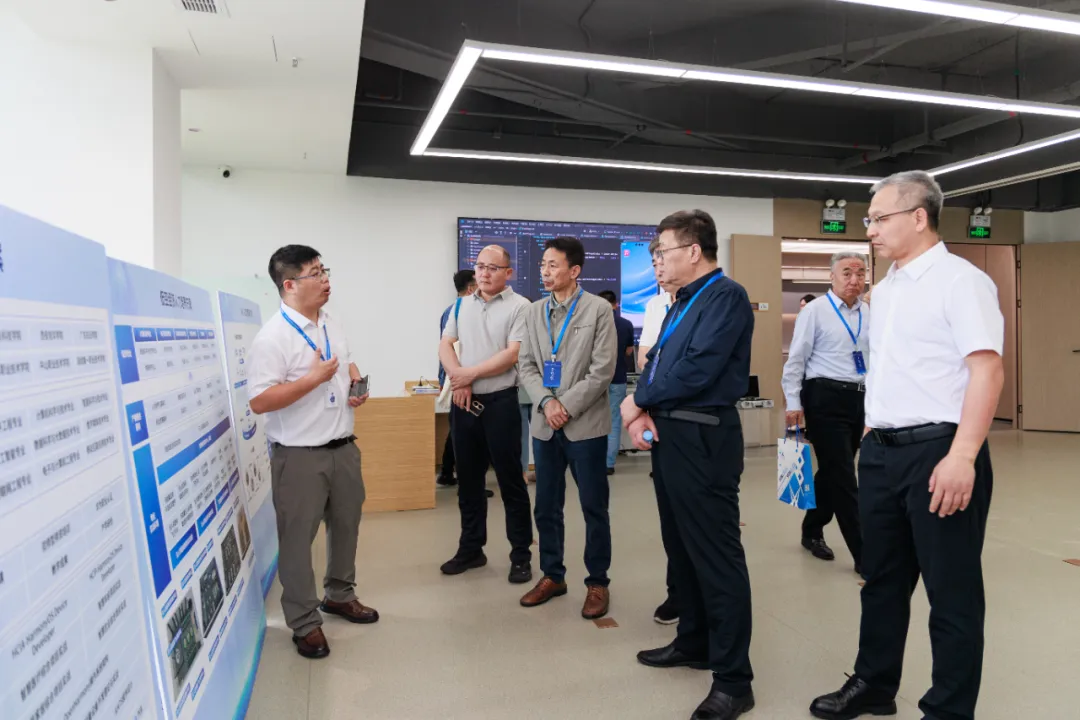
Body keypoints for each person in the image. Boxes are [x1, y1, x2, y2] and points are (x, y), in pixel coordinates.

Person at [810, 171, 1003, 720]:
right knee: (882, 579)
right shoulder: (888, 289)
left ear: (919, 217)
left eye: (878, 218)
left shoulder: (961, 282)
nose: (869, 229)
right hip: (882, 451)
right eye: (868, 220)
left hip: (940, 451)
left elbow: (987, 371)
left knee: (951, 591)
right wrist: (873, 429)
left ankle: (948, 710)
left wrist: (962, 456)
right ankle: (874, 684)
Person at [622, 210, 756, 720]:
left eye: (663, 251)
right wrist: (644, 404)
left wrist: (636, 402)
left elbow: (697, 369)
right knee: (682, 548)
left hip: (704, 437)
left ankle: (734, 680)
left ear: (694, 251)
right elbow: (658, 362)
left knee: (716, 556)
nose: (657, 260)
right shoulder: (680, 302)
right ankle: (694, 641)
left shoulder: (726, 297)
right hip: (673, 435)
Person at [247, 245, 377, 660]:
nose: (325, 280)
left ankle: (340, 595)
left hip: (343, 447)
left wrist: (354, 382)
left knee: (346, 525)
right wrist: (313, 379)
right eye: (315, 273)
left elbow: (346, 361)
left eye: (324, 270)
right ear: (289, 285)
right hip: (300, 456)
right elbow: (260, 401)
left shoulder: (330, 321)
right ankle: (304, 622)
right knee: (297, 541)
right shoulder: (272, 338)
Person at [518, 237, 617, 620]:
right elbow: (526, 365)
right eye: (542, 264)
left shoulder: (598, 310)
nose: (545, 271)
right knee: (546, 506)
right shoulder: (534, 312)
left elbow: (602, 370)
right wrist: (547, 402)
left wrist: (566, 405)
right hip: (545, 426)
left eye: (553, 265)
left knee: (594, 507)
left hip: (585, 426)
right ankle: (552, 575)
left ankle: (598, 582)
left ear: (574, 271)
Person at [439, 246, 534, 584]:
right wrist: (459, 378)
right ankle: (471, 549)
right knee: (468, 481)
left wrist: (469, 375)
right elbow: (445, 345)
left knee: (510, 481)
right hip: (464, 403)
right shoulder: (461, 305)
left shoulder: (521, 306)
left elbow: (512, 354)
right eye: (480, 266)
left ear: (508, 272)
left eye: (493, 267)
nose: (484, 273)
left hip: (500, 403)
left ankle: (520, 555)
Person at [782, 253, 869, 572]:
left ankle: (811, 528)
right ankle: (865, 555)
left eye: (860, 273)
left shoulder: (869, 313)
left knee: (833, 471)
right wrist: (793, 401)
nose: (854, 280)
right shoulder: (815, 311)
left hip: (859, 398)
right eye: (847, 273)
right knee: (844, 476)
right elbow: (796, 359)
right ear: (832, 277)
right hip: (824, 397)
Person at [638, 248, 680, 627]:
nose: (657, 269)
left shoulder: (714, 301)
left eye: (662, 260)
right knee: (670, 517)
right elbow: (644, 358)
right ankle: (677, 593)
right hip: (661, 415)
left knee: (697, 521)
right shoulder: (655, 305)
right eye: (653, 263)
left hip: (695, 422)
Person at [438, 269, 477, 488]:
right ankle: (466, 481)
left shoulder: (449, 310)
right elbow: (453, 349)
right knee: (464, 431)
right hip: (461, 379)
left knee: (457, 427)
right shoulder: (459, 312)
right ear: (471, 289)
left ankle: (447, 472)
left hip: (456, 377)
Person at [597, 290, 636, 476]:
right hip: (618, 378)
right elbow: (629, 351)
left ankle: (593, 461)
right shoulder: (626, 324)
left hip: (595, 380)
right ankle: (608, 463)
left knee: (594, 420)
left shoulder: (593, 323)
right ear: (616, 304)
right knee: (613, 421)